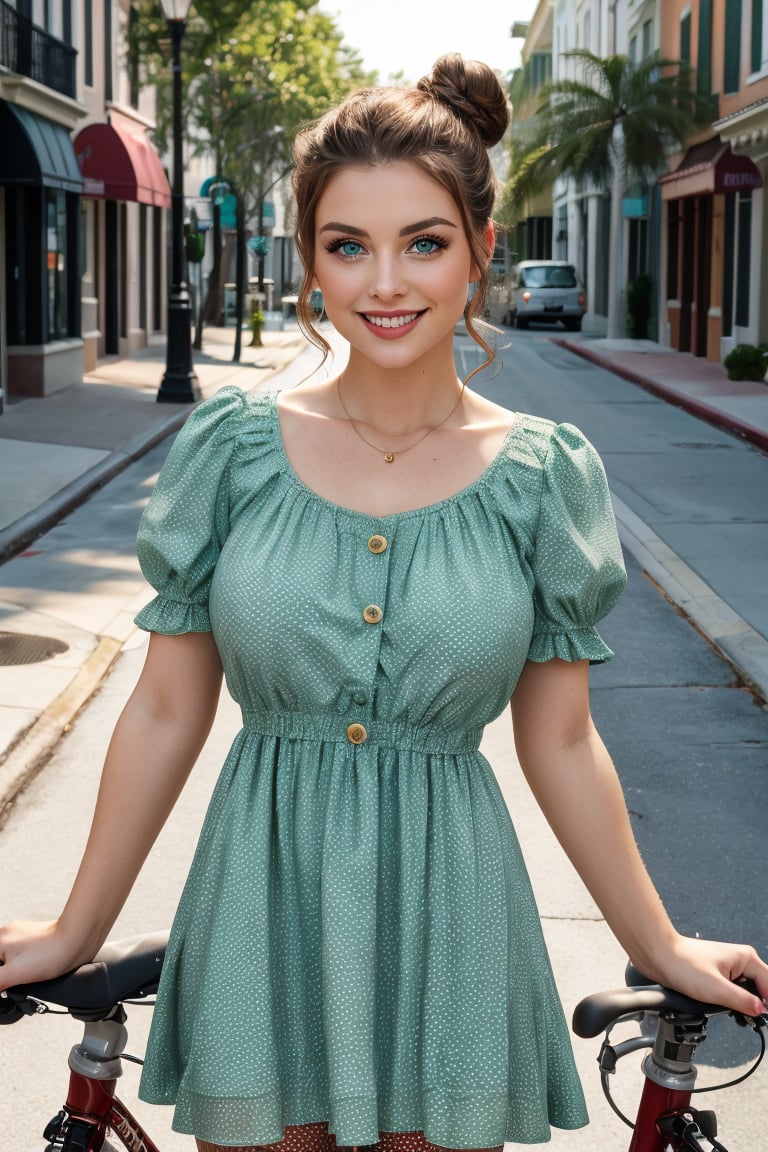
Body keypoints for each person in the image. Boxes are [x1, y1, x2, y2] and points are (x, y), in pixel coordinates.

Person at [1, 54, 766, 1152]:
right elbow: (167, 709)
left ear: (481, 252)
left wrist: (658, 940)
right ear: (311, 263)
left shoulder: (546, 475)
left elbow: (562, 741)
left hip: (448, 917)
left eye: (425, 241)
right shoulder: (232, 450)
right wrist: (78, 925)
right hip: (261, 909)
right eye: (348, 246)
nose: (386, 282)